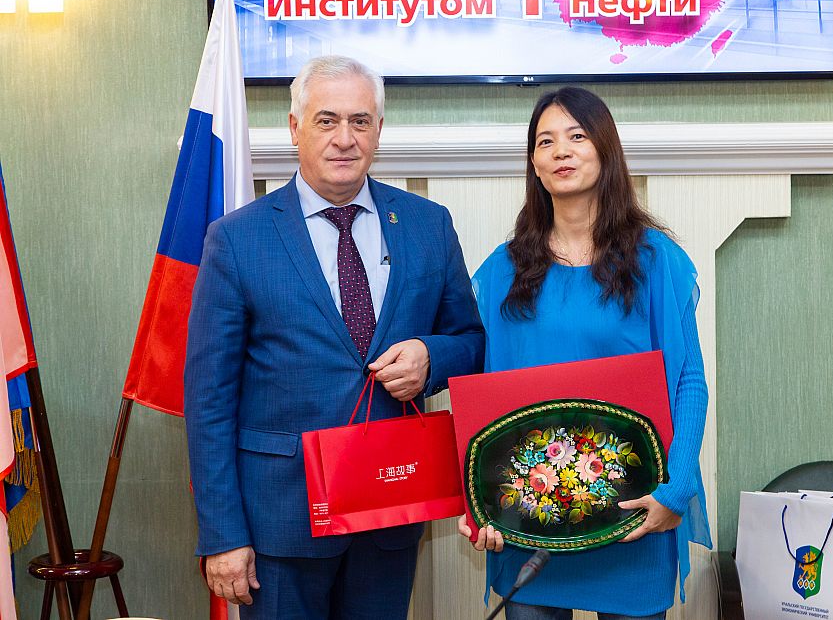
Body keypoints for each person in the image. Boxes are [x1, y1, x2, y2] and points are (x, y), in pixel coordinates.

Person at [185, 55, 484, 619]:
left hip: (390, 509)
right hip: (280, 523)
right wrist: (223, 534)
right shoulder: (237, 239)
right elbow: (208, 401)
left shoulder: (428, 224)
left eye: (360, 121)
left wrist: (431, 357)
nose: (345, 138)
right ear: (295, 127)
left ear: (378, 129)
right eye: (327, 120)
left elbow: (470, 341)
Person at [458, 87, 712, 619]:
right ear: (534, 163)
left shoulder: (655, 260)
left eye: (576, 136)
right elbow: (486, 397)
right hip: (529, 520)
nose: (561, 151)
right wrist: (475, 499)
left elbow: (688, 380)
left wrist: (677, 490)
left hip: (635, 513)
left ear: (604, 148)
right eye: (545, 141)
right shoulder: (503, 271)